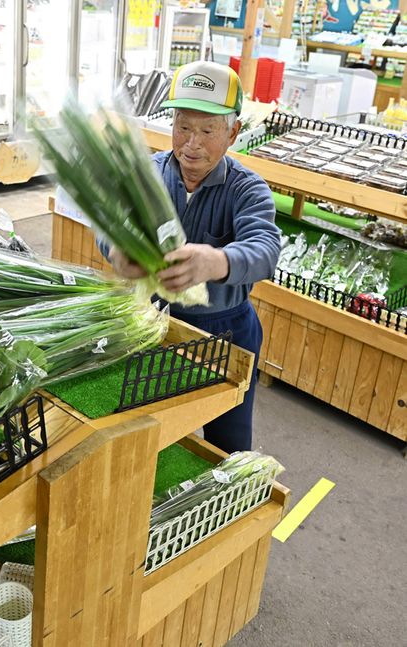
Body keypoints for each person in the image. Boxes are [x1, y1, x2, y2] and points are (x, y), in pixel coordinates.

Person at [103, 61, 281, 453]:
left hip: (226, 335)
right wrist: (117, 250)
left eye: (206, 130)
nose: (191, 144)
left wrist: (217, 262)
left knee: (227, 442)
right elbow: (112, 225)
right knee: (150, 432)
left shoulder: (247, 189)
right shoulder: (147, 173)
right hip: (152, 326)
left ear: (233, 132)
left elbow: (266, 249)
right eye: (183, 127)